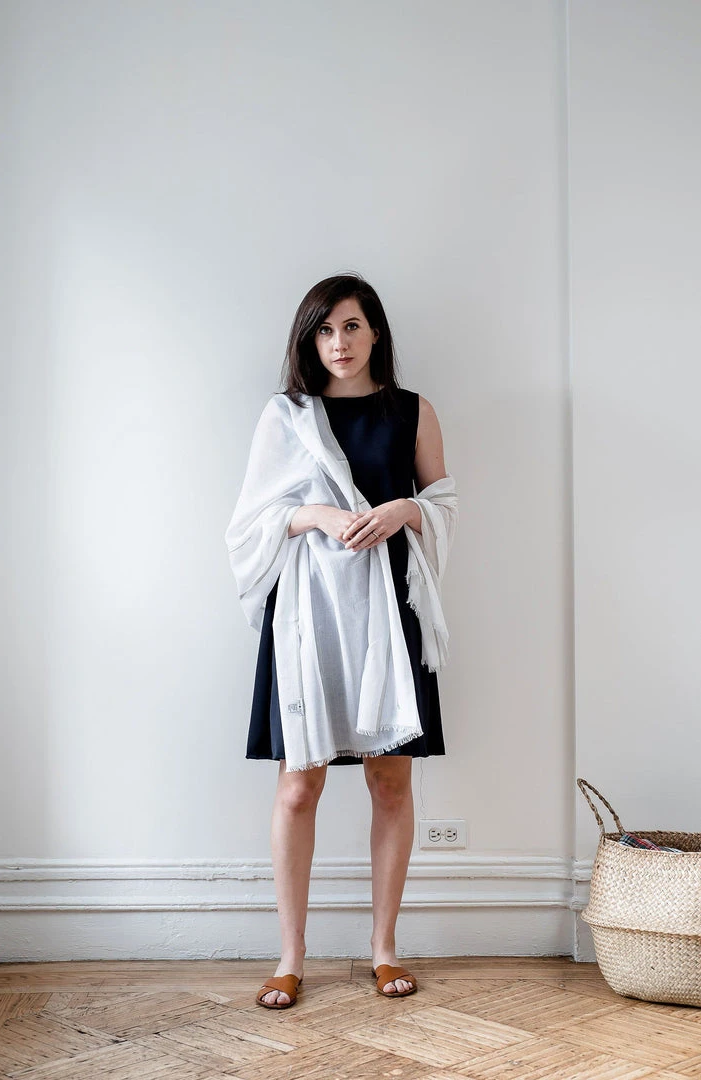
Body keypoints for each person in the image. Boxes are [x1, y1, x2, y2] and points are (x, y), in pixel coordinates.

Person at [225, 273, 457, 1009]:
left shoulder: (413, 412)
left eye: (351, 326)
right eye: (324, 330)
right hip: (308, 617)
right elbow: (249, 524)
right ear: (309, 340)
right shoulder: (286, 415)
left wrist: (402, 511)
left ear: (375, 331)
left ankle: (383, 950)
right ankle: (290, 956)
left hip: (389, 611)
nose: (339, 343)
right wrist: (316, 517)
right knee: (300, 785)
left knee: (390, 781)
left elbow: (443, 504)